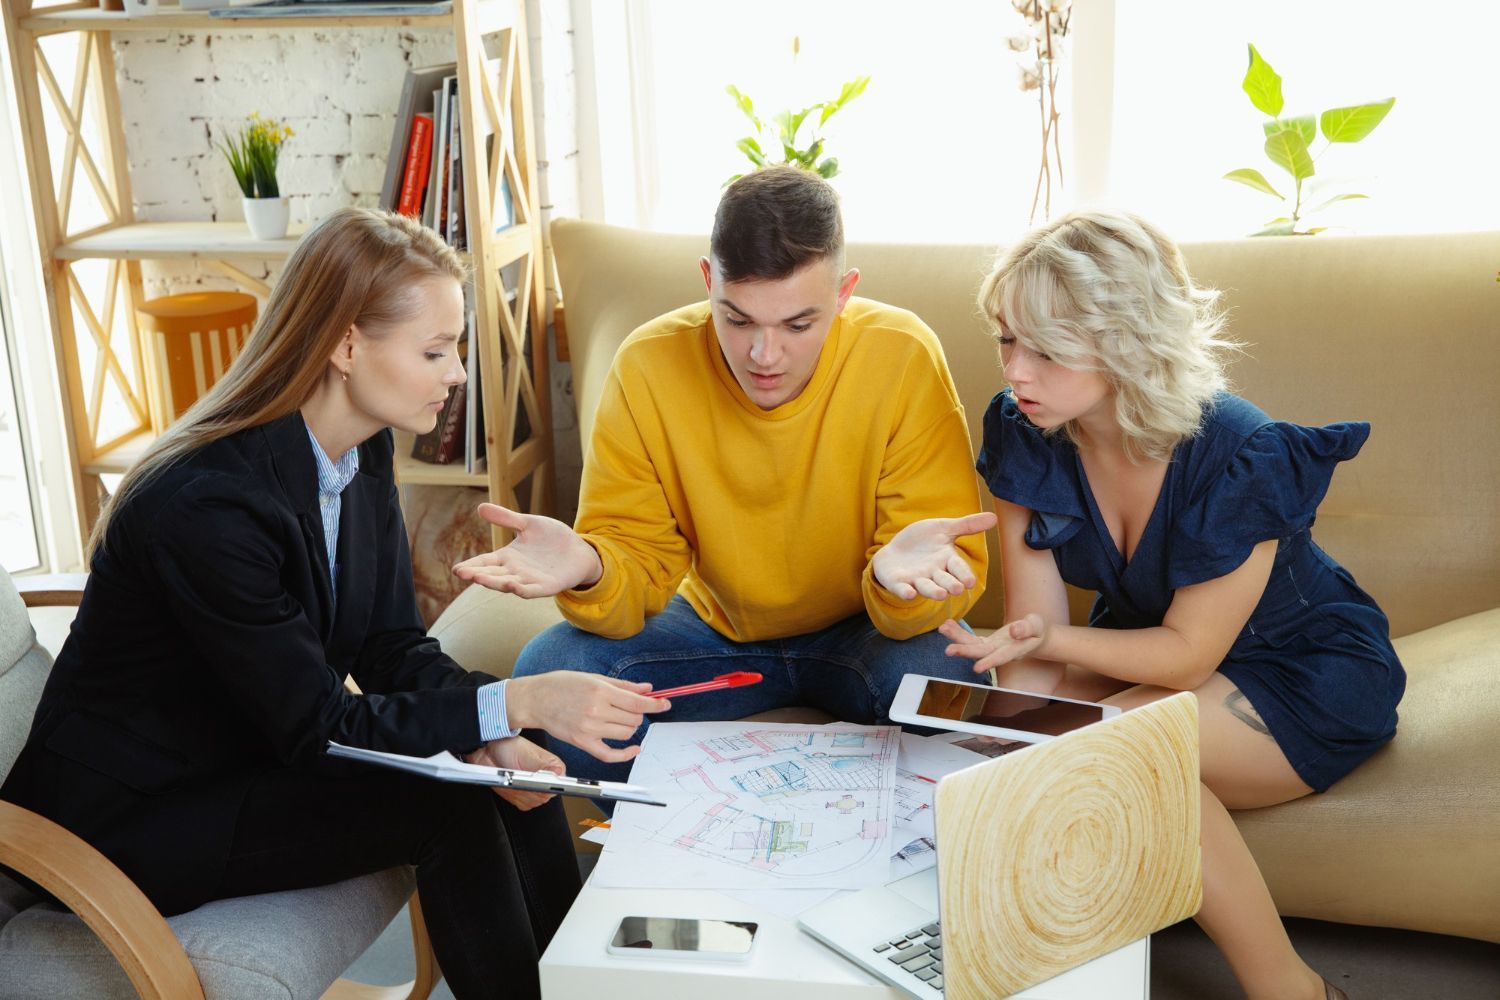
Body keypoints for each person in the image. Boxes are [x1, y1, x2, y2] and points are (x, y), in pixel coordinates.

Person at [0, 208, 666, 1000]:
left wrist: (501, 730)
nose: (456, 372)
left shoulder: (361, 450)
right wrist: (516, 702)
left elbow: (389, 647)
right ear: (348, 345)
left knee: (497, 756)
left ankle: (576, 987)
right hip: (129, 822)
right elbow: (320, 729)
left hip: (243, 760)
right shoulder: (207, 508)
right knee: (447, 803)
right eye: (434, 350)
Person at [934, 209, 1402, 1000]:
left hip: (1301, 670)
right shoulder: (1024, 430)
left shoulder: (1244, 452)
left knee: (1123, 753)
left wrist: (1045, 643)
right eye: (1007, 339)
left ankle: (1295, 990)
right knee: (1006, 745)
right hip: (1146, 651)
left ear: (1124, 340)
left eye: (1047, 350)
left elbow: (1185, 654)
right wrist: (1002, 719)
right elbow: (1038, 643)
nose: (1017, 370)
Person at [454, 165, 994, 783]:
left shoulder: (903, 354)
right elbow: (636, 562)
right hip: (711, 632)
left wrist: (895, 583)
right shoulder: (648, 366)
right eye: (737, 321)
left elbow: (942, 568)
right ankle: (674, 852)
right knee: (553, 669)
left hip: (862, 628)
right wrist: (593, 566)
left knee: (940, 675)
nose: (765, 356)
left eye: (798, 325)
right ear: (708, 281)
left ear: (843, 293)